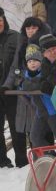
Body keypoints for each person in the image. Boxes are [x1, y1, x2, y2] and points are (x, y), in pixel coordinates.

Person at [0, 11, 26, 167]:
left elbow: (20, 64)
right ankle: (2, 161)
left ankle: (21, 161)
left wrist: (12, 83)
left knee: (17, 128)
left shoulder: (15, 37)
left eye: (0, 19)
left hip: (11, 91)